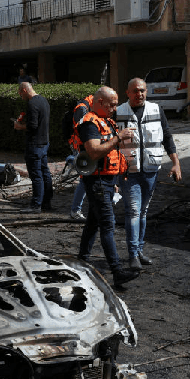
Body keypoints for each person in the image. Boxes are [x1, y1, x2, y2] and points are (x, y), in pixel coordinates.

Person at [73, 86, 136, 289]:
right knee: (107, 224)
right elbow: (93, 152)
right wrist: (118, 138)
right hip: (97, 181)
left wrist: (116, 181)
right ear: (99, 102)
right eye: (112, 104)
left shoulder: (106, 121)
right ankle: (117, 272)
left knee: (93, 221)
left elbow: (111, 152)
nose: (114, 108)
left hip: (107, 180)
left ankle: (81, 260)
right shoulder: (89, 123)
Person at [115, 77, 182, 270]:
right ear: (128, 93)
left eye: (143, 90)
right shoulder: (119, 112)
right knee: (133, 211)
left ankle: (139, 250)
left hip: (151, 171)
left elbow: (167, 137)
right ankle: (133, 254)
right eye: (135, 91)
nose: (140, 94)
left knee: (142, 212)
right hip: (129, 172)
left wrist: (176, 163)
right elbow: (111, 143)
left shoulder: (156, 110)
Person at [12, 81, 52, 213]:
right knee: (45, 173)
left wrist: (19, 126)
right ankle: (46, 203)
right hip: (44, 142)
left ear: (24, 90)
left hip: (34, 144)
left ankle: (36, 205)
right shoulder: (44, 101)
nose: (21, 97)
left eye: (20, 94)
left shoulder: (32, 103)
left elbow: (33, 126)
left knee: (36, 175)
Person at [66, 95, 93, 221]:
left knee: (86, 179)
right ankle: (75, 210)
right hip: (83, 150)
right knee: (84, 179)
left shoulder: (83, 107)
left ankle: (77, 209)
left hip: (82, 149)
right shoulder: (82, 109)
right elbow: (84, 132)